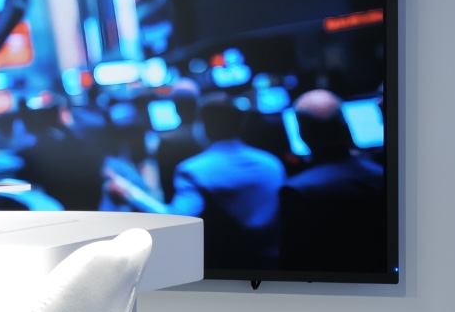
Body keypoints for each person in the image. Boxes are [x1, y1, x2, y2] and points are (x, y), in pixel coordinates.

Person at [108, 95, 286, 271]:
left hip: (225, 268)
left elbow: (175, 220)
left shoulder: (194, 170)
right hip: (274, 263)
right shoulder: (272, 163)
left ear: (203, 127)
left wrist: (130, 193)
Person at [279, 90, 387, 274]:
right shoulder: (380, 174)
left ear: (302, 134)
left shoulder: (295, 192)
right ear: (346, 126)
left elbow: (294, 263)